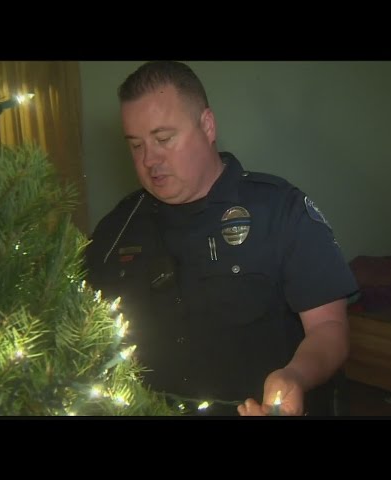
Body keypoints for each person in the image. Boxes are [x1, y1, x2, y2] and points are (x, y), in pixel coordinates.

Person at [84, 61, 358, 416]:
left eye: (164, 139)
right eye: (136, 145)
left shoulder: (279, 210)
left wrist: (294, 377)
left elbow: (329, 328)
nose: (149, 159)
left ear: (208, 125)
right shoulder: (118, 228)